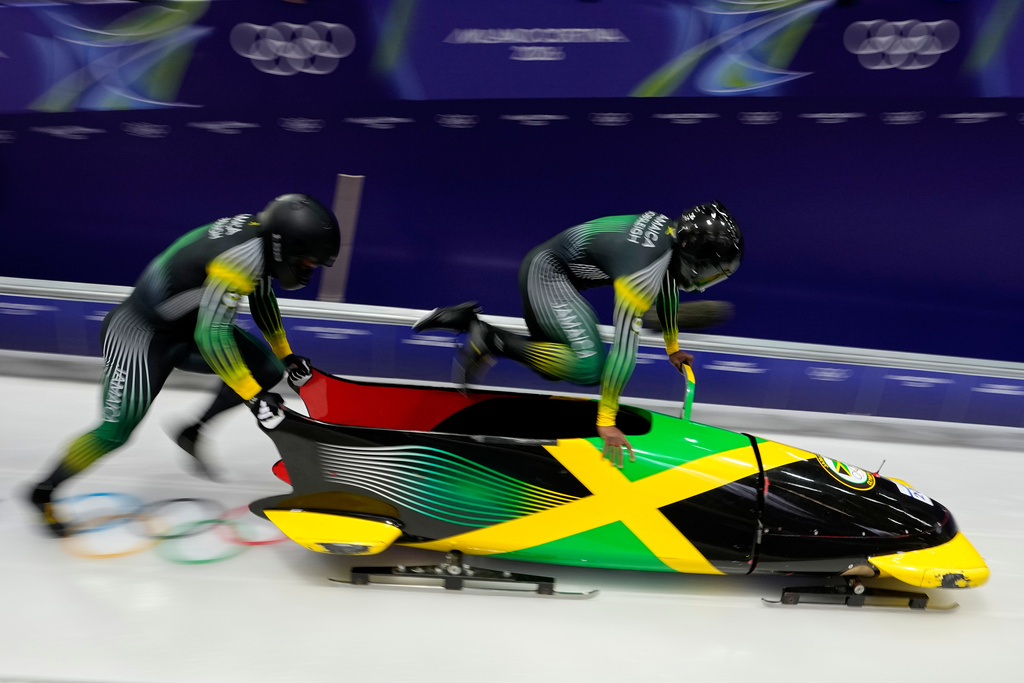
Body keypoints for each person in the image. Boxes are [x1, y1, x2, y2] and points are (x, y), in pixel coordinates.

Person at [26, 193, 341, 537]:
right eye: (309, 262)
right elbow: (212, 336)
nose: (309, 270)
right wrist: (252, 397)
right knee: (114, 432)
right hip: (140, 333)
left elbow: (261, 294)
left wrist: (284, 353)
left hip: (184, 328)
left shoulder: (261, 241)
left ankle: (192, 430)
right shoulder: (239, 258)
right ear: (288, 247)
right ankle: (43, 492)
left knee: (266, 368)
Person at [415, 202, 743, 468]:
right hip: (549, 275)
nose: (709, 280)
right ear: (697, 259)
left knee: (559, 366)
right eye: (714, 271)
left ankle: (474, 327)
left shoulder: (670, 236)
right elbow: (626, 349)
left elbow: (669, 285)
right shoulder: (641, 270)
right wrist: (606, 420)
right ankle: (487, 337)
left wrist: (673, 348)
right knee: (588, 367)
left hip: (557, 275)